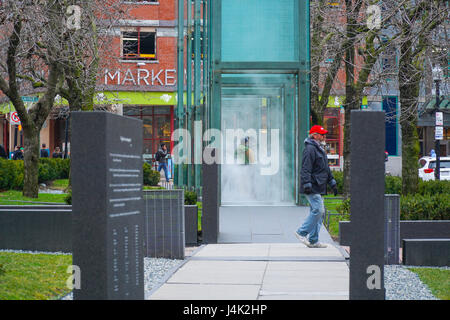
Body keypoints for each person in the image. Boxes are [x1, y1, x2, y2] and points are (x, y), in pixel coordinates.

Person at [294, 125, 337, 248]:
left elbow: (325, 168)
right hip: (312, 185)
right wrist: (307, 183)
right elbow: (305, 168)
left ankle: (313, 240)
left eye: (324, 134)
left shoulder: (318, 148)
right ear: (315, 135)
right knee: (318, 210)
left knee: (318, 212)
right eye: (322, 134)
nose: (324, 136)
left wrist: (332, 181)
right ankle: (301, 232)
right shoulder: (310, 149)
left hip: (318, 185)